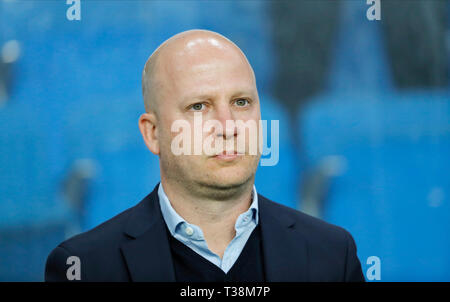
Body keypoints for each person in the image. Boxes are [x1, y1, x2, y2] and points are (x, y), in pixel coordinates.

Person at [45, 29, 365, 282]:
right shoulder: (85, 267)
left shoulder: (333, 255)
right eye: (199, 106)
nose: (228, 127)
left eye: (241, 103)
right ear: (153, 133)